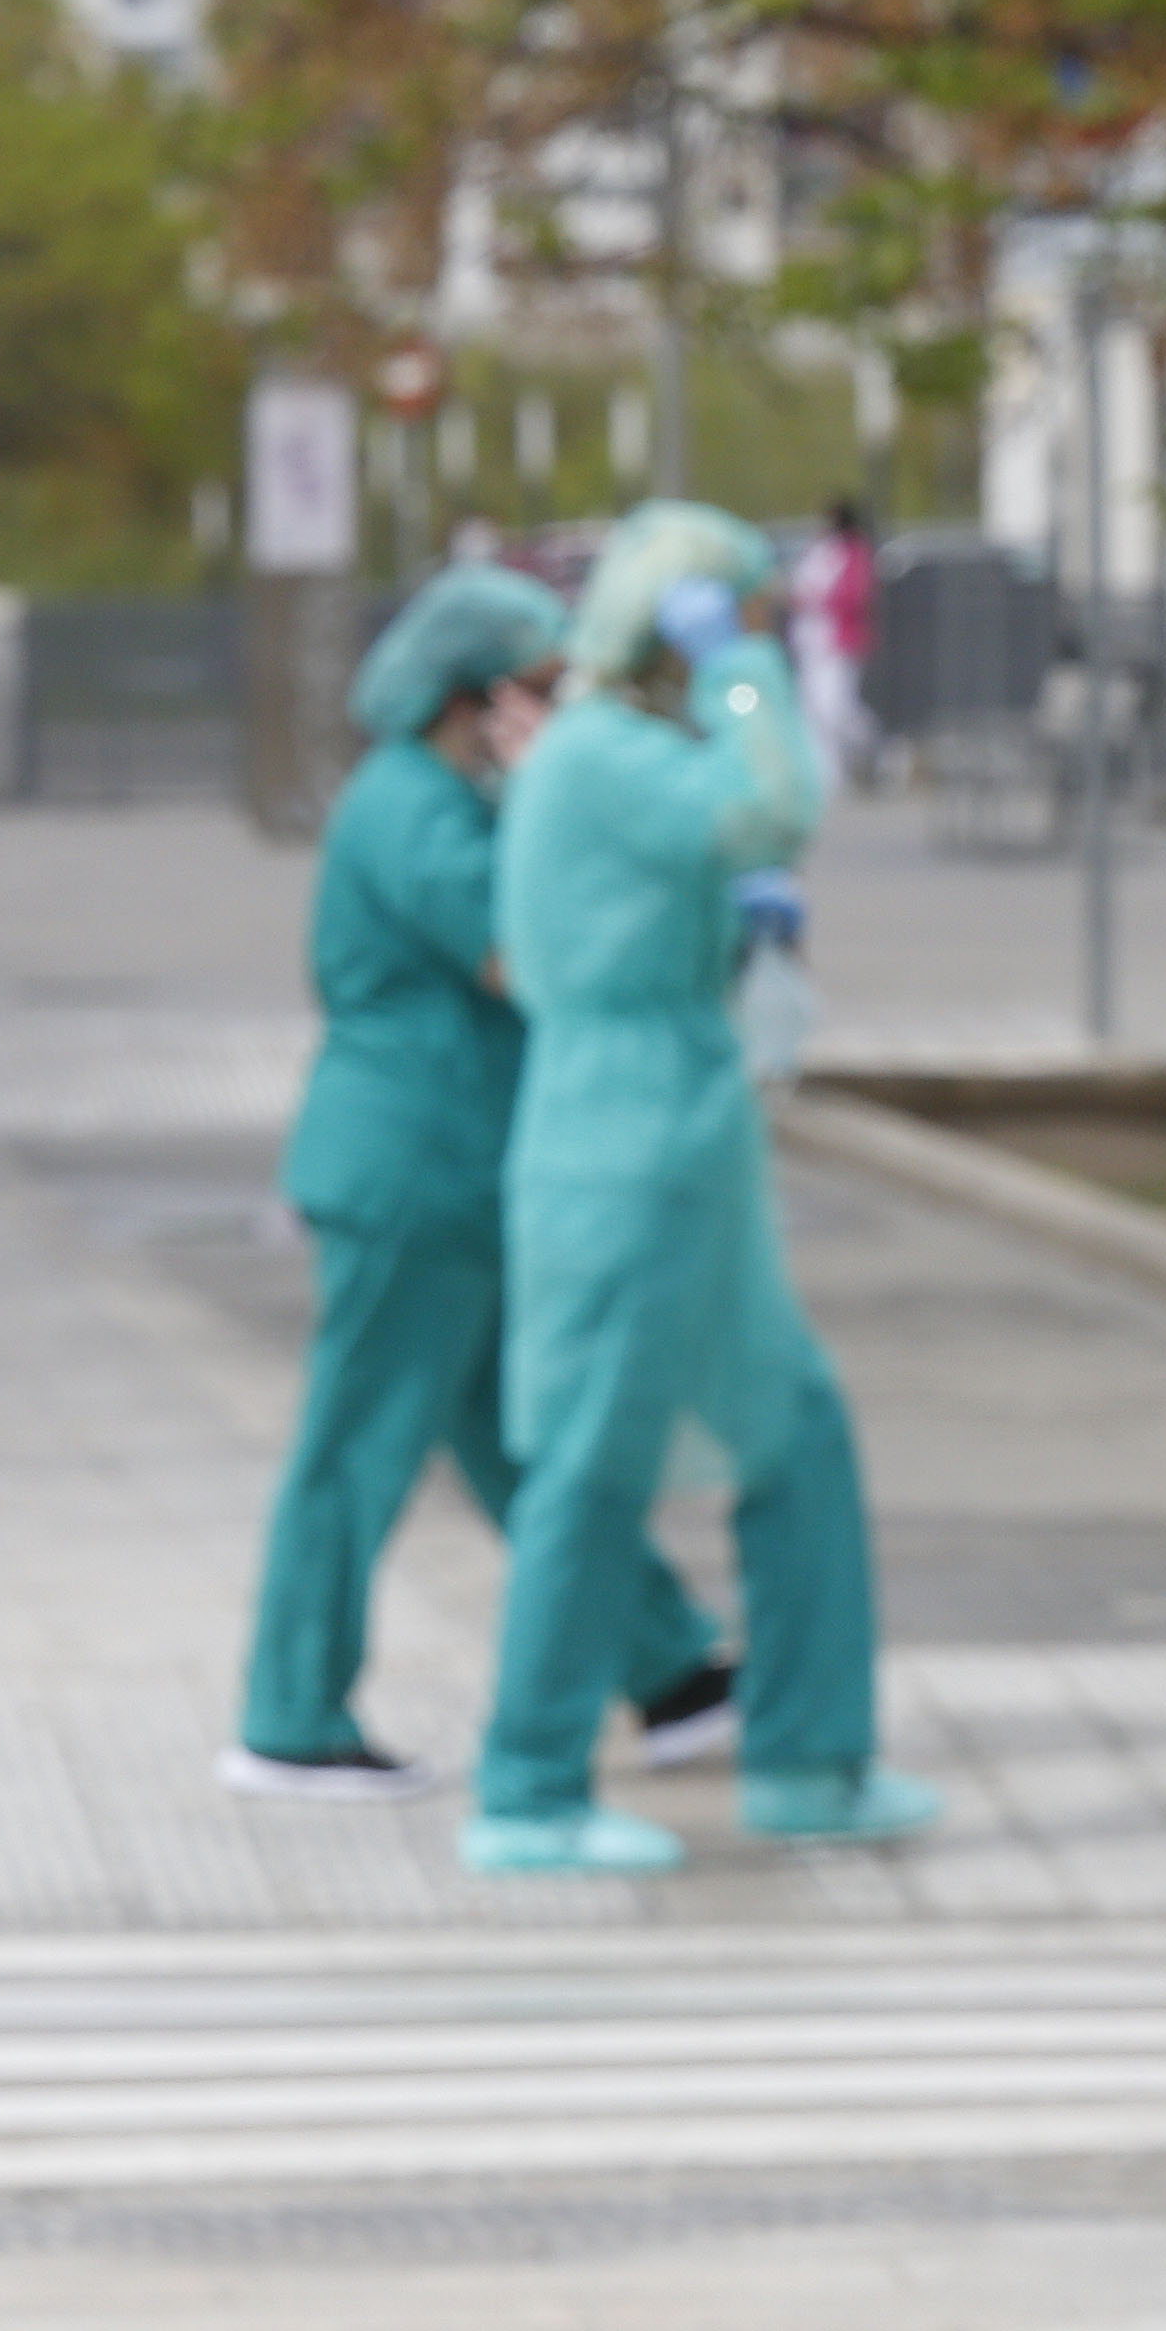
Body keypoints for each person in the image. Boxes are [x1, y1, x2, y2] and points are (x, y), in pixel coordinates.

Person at [469, 503, 941, 1875]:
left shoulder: (608, 754)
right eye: (733, 612)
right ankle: (529, 1784)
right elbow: (774, 802)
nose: (750, 640)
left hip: (671, 1121)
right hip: (632, 1139)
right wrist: (747, 670)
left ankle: (807, 1755)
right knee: (595, 1458)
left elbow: (712, 845)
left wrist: (734, 923)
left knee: (794, 1432)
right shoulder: (610, 753)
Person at [224, 562, 737, 1802]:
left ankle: (671, 1671)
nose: (559, 711)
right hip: (413, 1176)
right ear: (478, 693)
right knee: (358, 1450)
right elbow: (530, 956)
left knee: (532, 1444)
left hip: (456, 1178)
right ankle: (289, 1718)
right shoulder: (413, 810)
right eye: (545, 687)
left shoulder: (450, 800)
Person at [788, 496, 877, 794]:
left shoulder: (853, 553)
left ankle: (877, 749)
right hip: (812, 641)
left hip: (838, 641)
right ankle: (828, 774)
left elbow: (854, 596)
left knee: (836, 709)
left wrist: (817, 598)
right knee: (814, 709)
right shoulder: (817, 552)